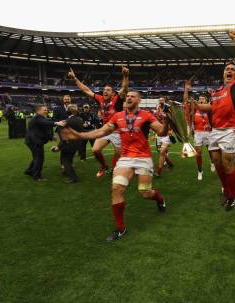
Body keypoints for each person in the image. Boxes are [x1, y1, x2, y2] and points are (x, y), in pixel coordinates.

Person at [62, 90, 169, 241]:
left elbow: (161, 132)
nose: (129, 97)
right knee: (116, 189)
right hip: (125, 158)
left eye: (133, 96)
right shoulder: (118, 116)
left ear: (139, 100)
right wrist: (80, 135)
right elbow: (101, 131)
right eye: (128, 96)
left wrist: (168, 122)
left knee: (145, 193)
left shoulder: (146, 115)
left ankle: (159, 199)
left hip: (143, 158)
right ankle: (121, 228)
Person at [190, 30, 235, 210]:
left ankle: (231, 196)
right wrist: (195, 104)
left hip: (230, 130)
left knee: (227, 163)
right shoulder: (216, 92)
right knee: (217, 163)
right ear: (223, 74)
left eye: (233, 69)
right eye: (227, 69)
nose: (230, 71)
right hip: (214, 131)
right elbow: (210, 108)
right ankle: (227, 190)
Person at [68, 65, 129, 177]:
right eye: (104, 89)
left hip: (118, 131)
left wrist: (125, 76)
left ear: (113, 93)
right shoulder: (100, 99)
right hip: (105, 130)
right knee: (95, 150)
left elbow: (124, 89)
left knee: (118, 155)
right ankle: (104, 167)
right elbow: (86, 90)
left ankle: (114, 170)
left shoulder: (118, 99)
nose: (105, 91)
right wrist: (75, 79)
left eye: (108, 90)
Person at [24, 105, 66, 181]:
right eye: (44, 110)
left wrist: (51, 137)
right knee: (39, 159)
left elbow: (44, 130)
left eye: (47, 110)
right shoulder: (37, 118)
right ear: (38, 111)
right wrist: (57, 123)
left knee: (36, 157)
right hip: (34, 142)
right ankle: (37, 177)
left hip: (35, 141)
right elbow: (45, 123)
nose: (46, 111)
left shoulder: (42, 118)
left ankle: (29, 171)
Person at [184, 81, 212, 180]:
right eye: (199, 99)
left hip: (209, 133)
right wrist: (186, 90)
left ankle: (212, 162)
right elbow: (186, 101)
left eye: (203, 99)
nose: (201, 100)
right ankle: (200, 171)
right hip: (198, 132)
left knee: (211, 150)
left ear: (206, 101)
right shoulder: (195, 109)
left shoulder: (209, 109)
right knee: (198, 152)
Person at [58, 104, 83, 183]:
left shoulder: (66, 121)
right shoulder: (80, 119)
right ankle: (66, 172)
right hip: (77, 143)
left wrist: (59, 146)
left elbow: (63, 136)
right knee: (69, 159)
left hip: (68, 144)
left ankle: (73, 178)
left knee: (66, 161)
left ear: (68, 111)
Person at [153, 97, 174, 177]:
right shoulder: (157, 110)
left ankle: (158, 171)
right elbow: (154, 121)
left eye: (162, 100)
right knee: (160, 152)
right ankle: (169, 163)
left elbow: (172, 120)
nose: (161, 101)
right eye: (160, 100)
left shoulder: (168, 109)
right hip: (158, 133)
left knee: (162, 152)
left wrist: (171, 130)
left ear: (164, 101)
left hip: (167, 134)